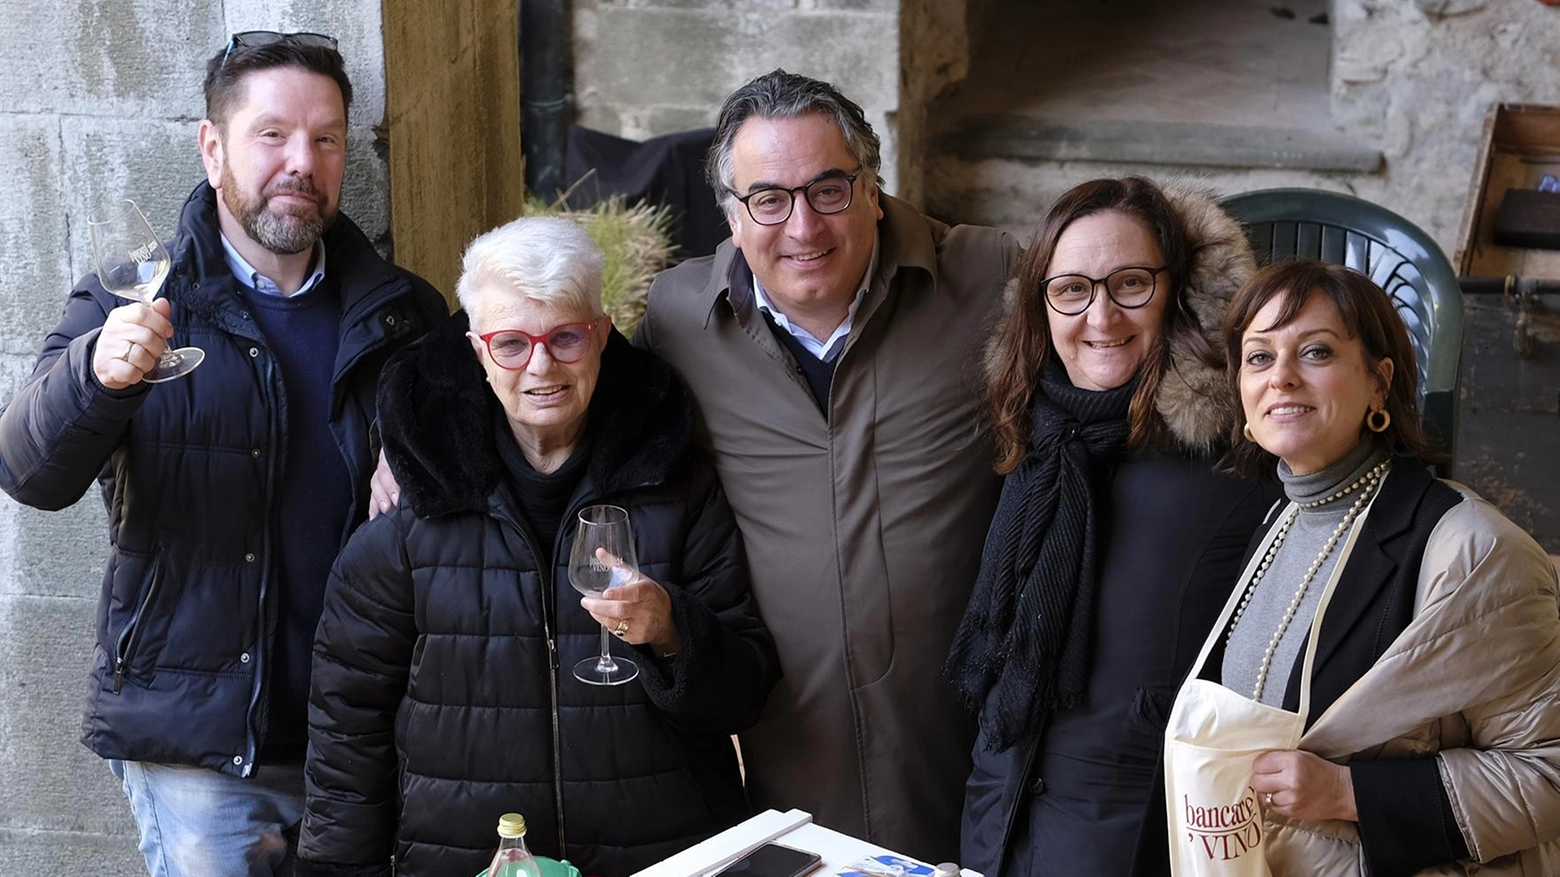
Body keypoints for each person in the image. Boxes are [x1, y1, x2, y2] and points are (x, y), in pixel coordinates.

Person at [0, 31, 446, 877]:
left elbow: (483, 470)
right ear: (213, 147)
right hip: (200, 751)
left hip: (365, 739)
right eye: (271, 135)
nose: (300, 162)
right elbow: (28, 470)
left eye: (325, 139)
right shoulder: (130, 298)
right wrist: (96, 376)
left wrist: (431, 459)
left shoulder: (403, 313)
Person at [295, 217, 780, 877]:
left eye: (566, 337)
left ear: (603, 336)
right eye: (513, 343)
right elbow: (348, 731)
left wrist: (671, 631)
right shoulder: (414, 513)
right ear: (476, 351)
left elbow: (745, 693)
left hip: (661, 859)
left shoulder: (677, 484)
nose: (542, 366)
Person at [633, 68, 1018, 862]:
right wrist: (412, 430)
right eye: (768, 199)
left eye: (829, 189)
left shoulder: (986, 280)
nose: (802, 225)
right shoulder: (680, 320)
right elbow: (554, 378)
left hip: (965, 752)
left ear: (872, 189)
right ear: (733, 219)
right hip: (783, 766)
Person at [1161, 259, 1560, 876]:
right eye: (1259, 357)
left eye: (1315, 352)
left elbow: (1549, 772)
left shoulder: (1473, 551)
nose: (1281, 378)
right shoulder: (1275, 523)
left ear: (1379, 382)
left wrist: (1348, 793)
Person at [946, 177, 1279, 876]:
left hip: (1133, 843)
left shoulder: (1240, 460)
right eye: (1071, 289)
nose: (1100, 315)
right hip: (998, 834)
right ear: (1040, 305)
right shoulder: (1033, 442)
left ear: (1180, 291)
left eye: (1130, 283)